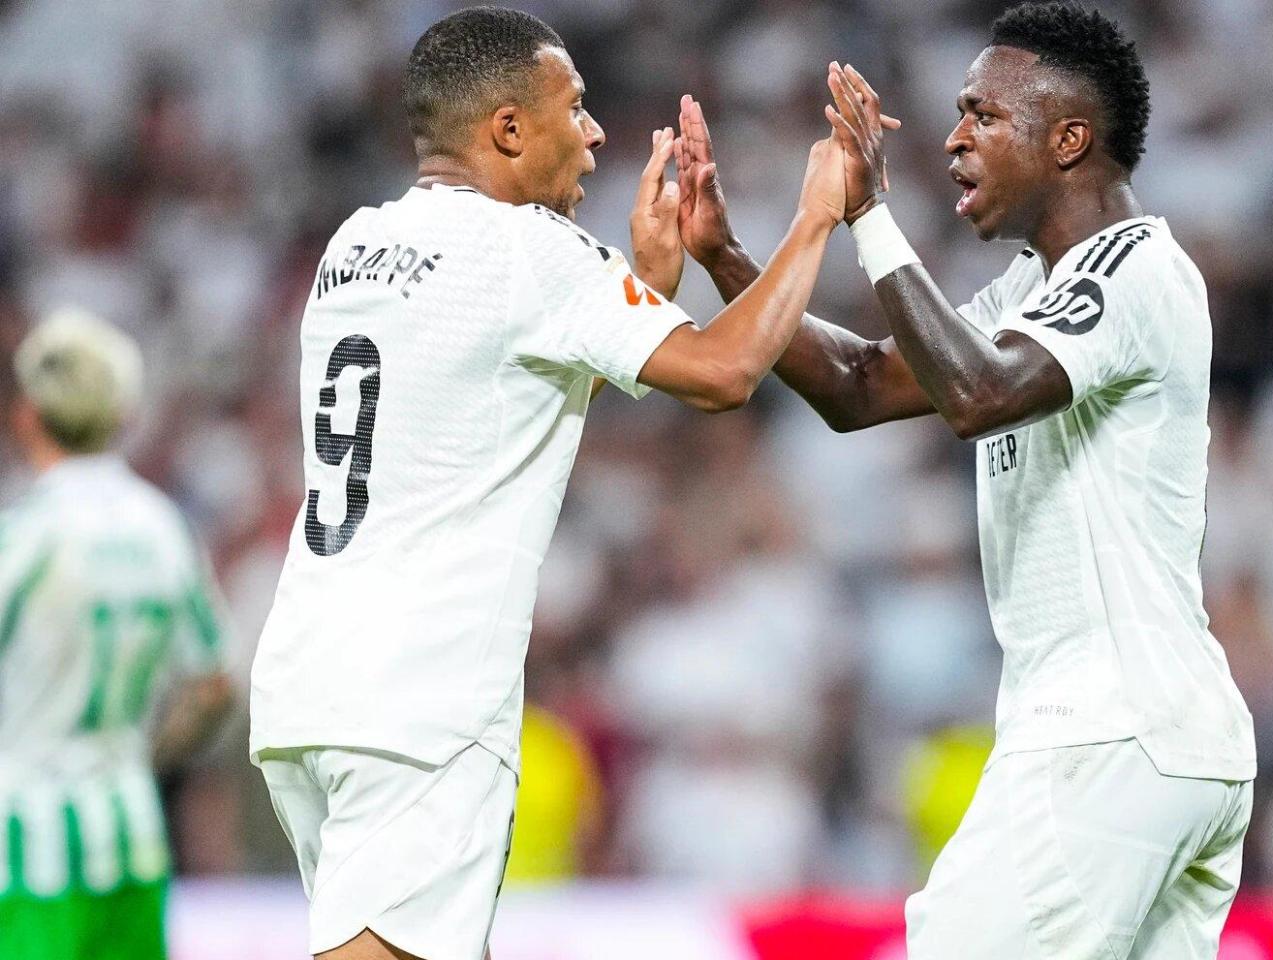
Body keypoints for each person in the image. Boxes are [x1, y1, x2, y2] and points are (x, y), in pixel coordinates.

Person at [246, 7, 847, 960]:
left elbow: (494, 404)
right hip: (422, 699)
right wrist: (817, 218)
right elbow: (724, 374)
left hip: (308, 685)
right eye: (575, 106)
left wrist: (640, 287)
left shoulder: (353, 245)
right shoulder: (525, 250)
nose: (597, 131)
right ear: (509, 129)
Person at [673, 2, 1256, 956]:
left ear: (1069, 139)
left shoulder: (1133, 270)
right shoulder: (1042, 288)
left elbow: (978, 393)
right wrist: (725, 258)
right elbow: (861, 385)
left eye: (983, 115)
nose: (951, 139)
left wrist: (866, 217)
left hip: (1109, 732)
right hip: (1157, 742)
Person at [0, 308, 234, 960]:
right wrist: (145, 759)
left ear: (28, 415)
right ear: (123, 417)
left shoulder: (26, 536)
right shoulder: (162, 527)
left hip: (28, 847)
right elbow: (214, 684)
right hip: (132, 835)